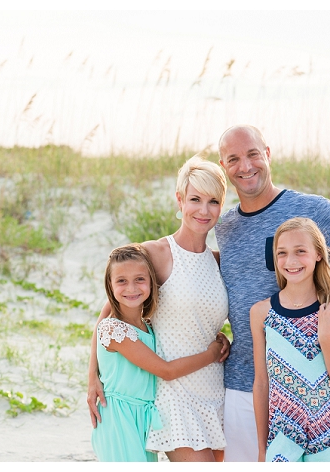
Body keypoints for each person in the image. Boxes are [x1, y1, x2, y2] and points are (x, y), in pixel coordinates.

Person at [215, 124, 330, 461]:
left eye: (252, 154)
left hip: (308, 390)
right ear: (223, 167)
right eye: (233, 159)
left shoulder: (313, 211)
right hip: (240, 387)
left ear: (268, 154)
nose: (245, 166)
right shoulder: (224, 226)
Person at [88, 155, 230, 462]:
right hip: (173, 391)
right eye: (194, 199)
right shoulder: (157, 252)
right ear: (179, 200)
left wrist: (223, 342)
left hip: (215, 387)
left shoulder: (218, 261)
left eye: (213, 201)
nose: (204, 210)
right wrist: (92, 378)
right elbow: (108, 312)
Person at [91, 243, 224, 462]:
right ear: (110, 286)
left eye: (140, 279)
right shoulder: (114, 330)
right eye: (121, 281)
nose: (131, 288)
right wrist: (211, 355)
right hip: (120, 419)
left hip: (143, 419)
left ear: (152, 282)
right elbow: (167, 371)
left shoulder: (147, 326)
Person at [251, 217, 330, 462]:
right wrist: (261, 448)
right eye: (282, 253)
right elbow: (261, 384)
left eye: (301, 251)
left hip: (329, 432)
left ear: (318, 254)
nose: (291, 261)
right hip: (282, 436)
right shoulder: (261, 313)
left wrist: (325, 337)